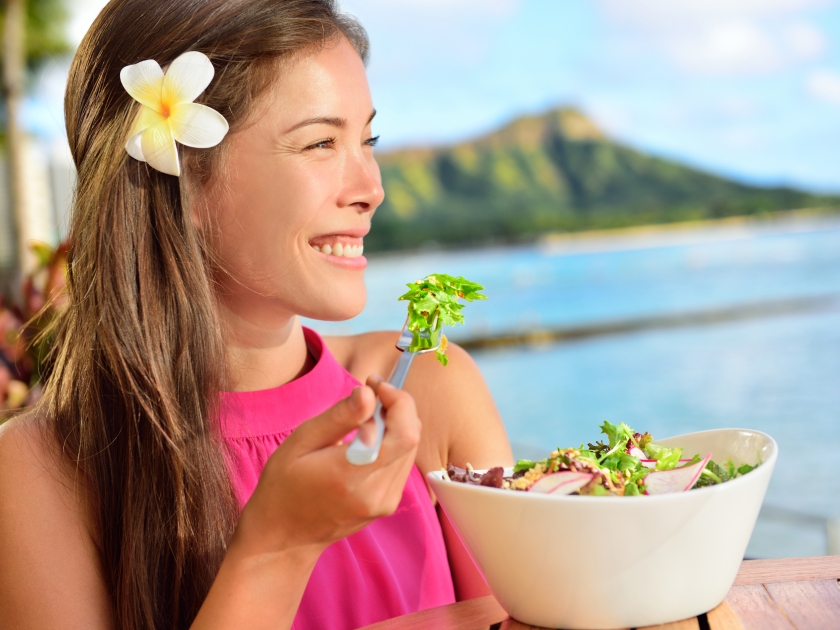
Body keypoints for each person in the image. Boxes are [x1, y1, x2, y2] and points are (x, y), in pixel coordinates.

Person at [0, 1, 512, 628]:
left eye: (367, 139)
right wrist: (276, 549)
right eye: (321, 142)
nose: (371, 186)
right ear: (184, 180)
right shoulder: (39, 474)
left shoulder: (431, 389)